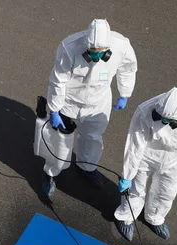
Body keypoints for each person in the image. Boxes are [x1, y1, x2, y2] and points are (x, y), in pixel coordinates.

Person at [42, 19, 138, 197]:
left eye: (100, 53)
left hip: (98, 101)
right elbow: (58, 80)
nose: (95, 57)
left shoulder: (121, 46)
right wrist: (54, 108)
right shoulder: (69, 47)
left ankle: (87, 167)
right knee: (59, 140)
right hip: (69, 102)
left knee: (93, 138)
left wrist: (125, 93)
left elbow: (128, 68)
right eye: (92, 52)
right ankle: (50, 172)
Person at [114, 88, 177, 240]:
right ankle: (126, 217)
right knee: (135, 189)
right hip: (146, 154)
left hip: (173, 157)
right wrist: (128, 175)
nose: (163, 122)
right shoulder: (145, 110)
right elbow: (135, 145)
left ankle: (155, 217)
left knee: (167, 192)